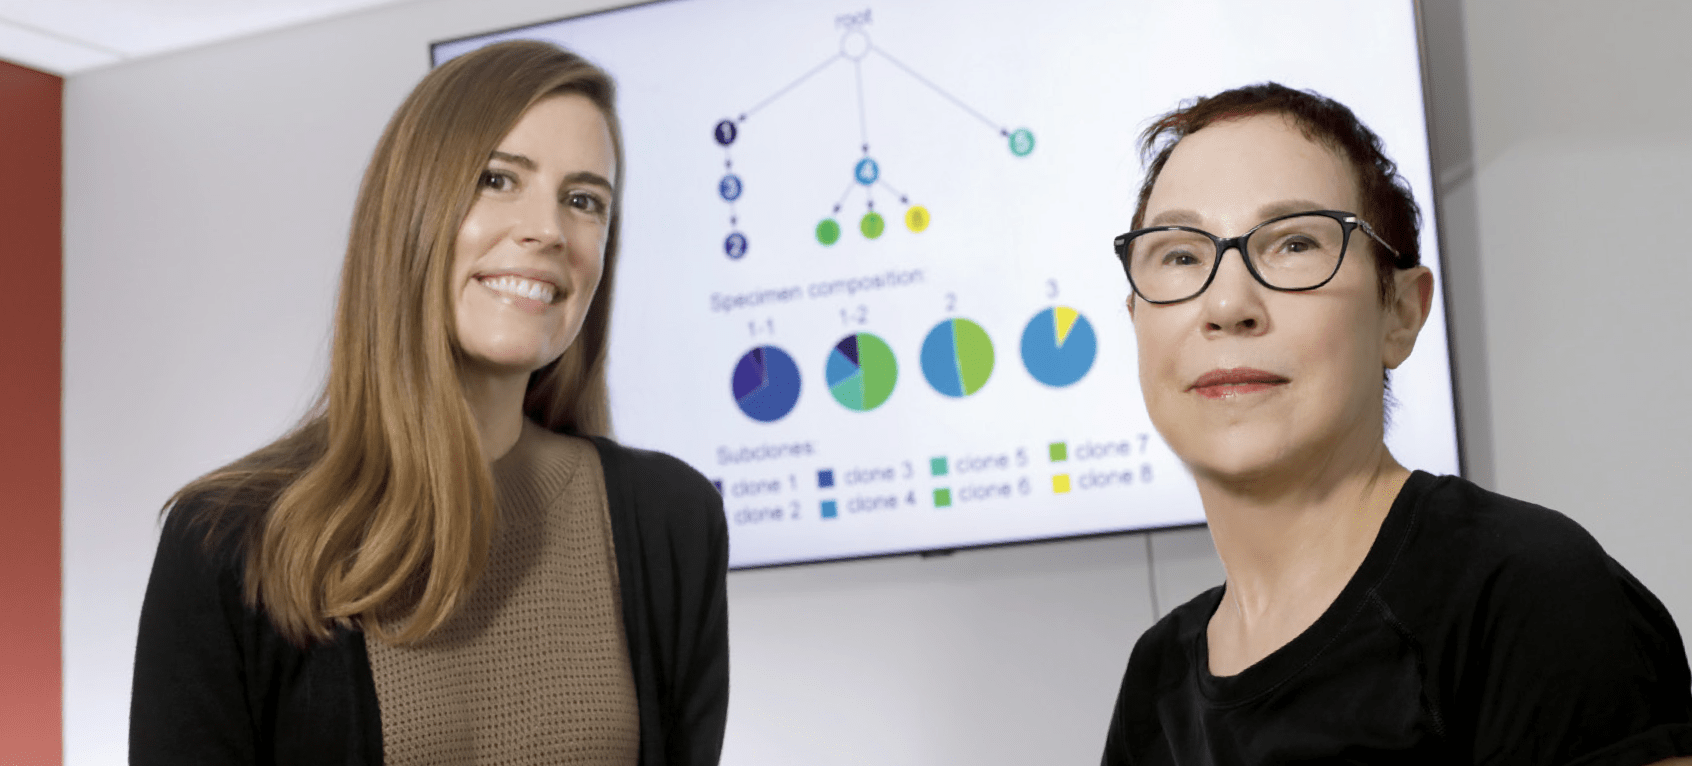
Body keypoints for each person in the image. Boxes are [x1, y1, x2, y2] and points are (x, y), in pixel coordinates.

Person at [130, 40, 728, 765]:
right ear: (411, 211)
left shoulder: (671, 520)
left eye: (583, 200)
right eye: (499, 179)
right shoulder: (227, 538)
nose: (547, 230)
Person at [1101, 83, 1692, 764]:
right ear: (1138, 323)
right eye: (1180, 256)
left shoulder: (1522, 593)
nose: (1229, 303)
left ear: (1401, 313)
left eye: (1294, 243)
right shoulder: (1158, 679)